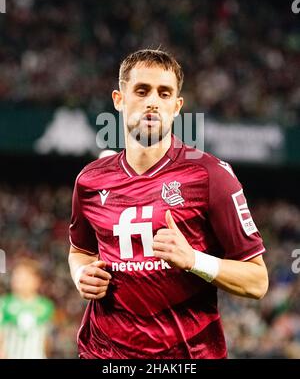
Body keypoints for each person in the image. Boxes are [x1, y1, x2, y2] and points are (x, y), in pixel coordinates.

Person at [68, 48, 268, 359]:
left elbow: (257, 281)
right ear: (119, 100)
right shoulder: (90, 180)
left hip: (186, 357)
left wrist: (193, 260)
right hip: (103, 353)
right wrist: (81, 275)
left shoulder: (210, 175)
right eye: (141, 90)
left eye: (164, 93)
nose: (152, 102)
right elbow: (79, 251)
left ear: (176, 107)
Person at [0, 258, 54, 359]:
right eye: (16, 276)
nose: (19, 280)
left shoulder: (46, 306)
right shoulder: (3, 303)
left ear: (36, 281)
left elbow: (45, 339)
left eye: (24, 277)